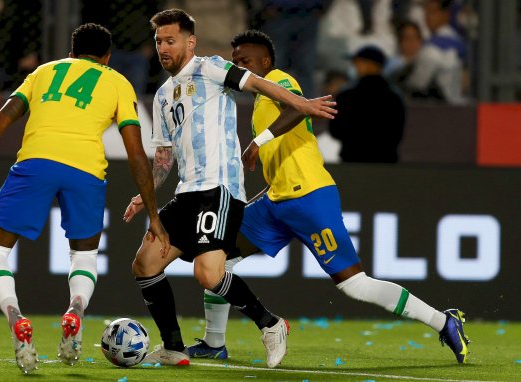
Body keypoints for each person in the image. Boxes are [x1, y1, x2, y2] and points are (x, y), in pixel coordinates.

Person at [186, 29, 470, 365]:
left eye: (245, 61)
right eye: (236, 63)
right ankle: (214, 342)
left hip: (309, 198)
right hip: (276, 201)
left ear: (265, 61)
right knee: (217, 258)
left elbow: (300, 110)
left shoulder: (280, 80)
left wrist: (257, 141)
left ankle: (443, 321)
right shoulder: (261, 96)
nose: (240, 68)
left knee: (355, 285)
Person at [0, 23, 170, 374]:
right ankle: (76, 310)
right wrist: (154, 214)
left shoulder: (43, 72)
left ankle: (15, 315)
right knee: (83, 254)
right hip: (86, 171)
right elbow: (135, 154)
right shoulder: (118, 81)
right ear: (107, 57)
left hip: (36, 163)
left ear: (71, 52)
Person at [122, 9, 336, 368]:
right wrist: (145, 196)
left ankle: (270, 324)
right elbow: (163, 157)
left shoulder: (210, 68)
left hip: (219, 189)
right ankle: (173, 347)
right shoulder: (162, 95)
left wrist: (301, 103)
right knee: (145, 264)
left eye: (170, 40)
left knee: (207, 273)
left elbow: (256, 83)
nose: (163, 48)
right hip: (186, 192)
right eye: (159, 41)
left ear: (190, 42)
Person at [329, 45, 405, 163]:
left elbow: (335, 130)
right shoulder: (394, 98)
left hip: (352, 162)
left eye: (357, 62)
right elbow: (396, 135)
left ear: (371, 65)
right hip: (386, 164)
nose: (354, 66)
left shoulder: (347, 96)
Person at [405, 0, 466, 103]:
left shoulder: (433, 48)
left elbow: (418, 83)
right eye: (426, 12)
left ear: (446, 15)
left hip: (442, 109)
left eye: (433, 13)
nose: (428, 17)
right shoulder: (459, 41)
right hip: (459, 105)